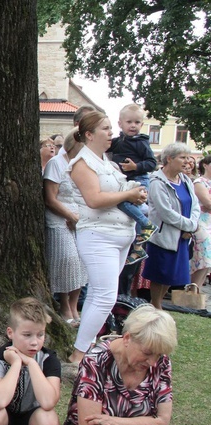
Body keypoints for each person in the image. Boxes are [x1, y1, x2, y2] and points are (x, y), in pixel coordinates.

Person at [61, 305, 183, 425]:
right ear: (127, 338)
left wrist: (116, 424)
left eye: (158, 355)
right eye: (147, 353)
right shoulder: (96, 360)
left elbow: (162, 421)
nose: (152, 362)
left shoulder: (161, 362)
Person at [66, 111, 147, 364]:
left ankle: (86, 346)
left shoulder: (109, 163)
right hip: (99, 236)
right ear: (89, 134)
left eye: (111, 128)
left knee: (98, 296)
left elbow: (119, 191)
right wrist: (127, 196)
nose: (111, 132)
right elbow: (95, 199)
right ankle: (78, 354)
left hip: (121, 235)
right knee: (105, 296)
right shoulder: (82, 163)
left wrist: (136, 192)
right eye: (105, 128)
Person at [142, 142, 199, 309]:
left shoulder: (185, 179)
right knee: (160, 274)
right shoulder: (156, 182)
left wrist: (192, 226)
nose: (187, 161)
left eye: (188, 157)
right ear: (169, 158)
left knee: (173, 276)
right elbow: (165, 213)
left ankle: (156, 305)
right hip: (164, 236)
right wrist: (190, 226)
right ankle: (156, 306)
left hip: (183, 236)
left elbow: (194, 204)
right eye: (182, 157)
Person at [43, 129, 87, 326]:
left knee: (81, 262)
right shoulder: (56, 163)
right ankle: (64, 305)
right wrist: (69, 215)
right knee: (67, 261)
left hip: (79, 218)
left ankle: (74, 306)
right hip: (59, 218)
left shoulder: (81, 165)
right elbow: (50, 198)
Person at [107, 104, 159, 263]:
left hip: (139, 179)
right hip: (126, 181)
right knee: (131, 212)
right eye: (129, 122)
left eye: (137, 122)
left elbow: (152, 163)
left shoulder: (141, 142)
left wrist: (135, 166)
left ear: (142, 125)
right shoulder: (117, 142)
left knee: (123, 204)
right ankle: (138, 249)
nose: (133, 126)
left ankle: (147, 224)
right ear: (120, 124)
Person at [190, 156, 211, 288]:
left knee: (208, 261)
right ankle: (192, 288)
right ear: (205, 165)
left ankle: (196, 290)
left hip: (210, 222)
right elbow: (207, 203)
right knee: (202, 256)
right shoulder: (200, 182)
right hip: (202, 222)